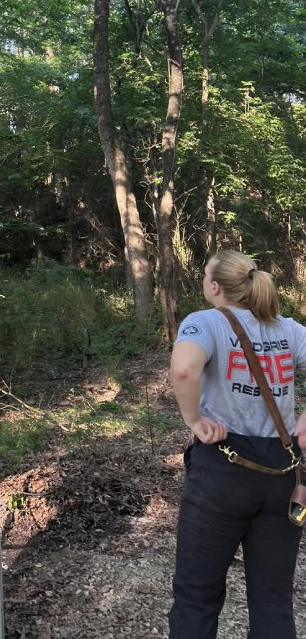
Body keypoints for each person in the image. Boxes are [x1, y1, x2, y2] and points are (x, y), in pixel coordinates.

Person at [168, 249, 306, 639]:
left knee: (197, 595)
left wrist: (193, 419)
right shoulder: (288, 329)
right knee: (273, 597)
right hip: (282, 471)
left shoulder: (204, 322)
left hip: (222, 467)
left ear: (215, 286)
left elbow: (183, 368)